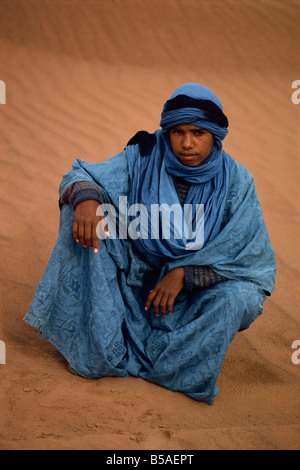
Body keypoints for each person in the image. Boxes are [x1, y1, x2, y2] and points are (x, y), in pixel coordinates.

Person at [25, 83, 276, 405]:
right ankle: (102, 343)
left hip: (190, 294)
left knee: (242, 296)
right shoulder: (144, 155)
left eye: (198, 133)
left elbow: (251, 257)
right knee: (85, 217)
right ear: (167, 132)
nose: (186, 144)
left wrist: (187, 274)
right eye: (177, 132)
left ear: (215, 136)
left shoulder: (237, 181)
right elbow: (82, 175)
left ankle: (173, 366)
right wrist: (87, 199)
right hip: (137, 279)